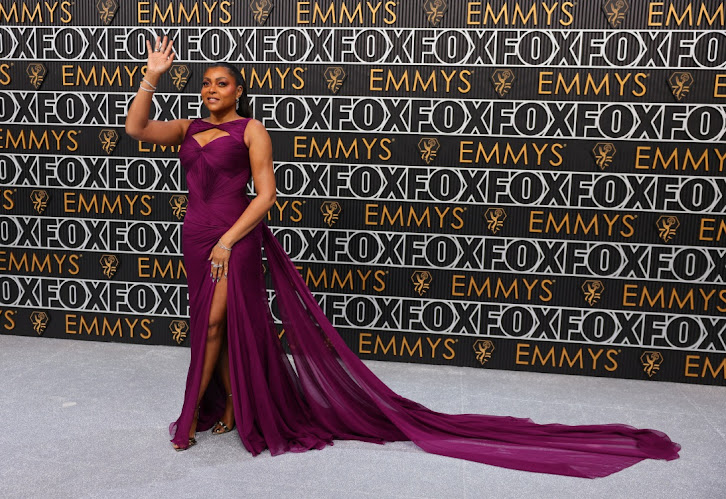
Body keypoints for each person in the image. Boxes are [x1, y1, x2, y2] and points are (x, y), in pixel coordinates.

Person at [125, 36, 680, 477]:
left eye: (222, 83)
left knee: (220, 323)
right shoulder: (188, 129)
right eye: (205, 84)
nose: (211, 90)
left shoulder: (253, 131)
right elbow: (134, 127)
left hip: (234, 239)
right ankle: (224, 407)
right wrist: (152, 76)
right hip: (194, 237)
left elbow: (266, 196)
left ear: (240, 91)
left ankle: (189, 422)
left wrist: (228, 239)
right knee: (212, 323)